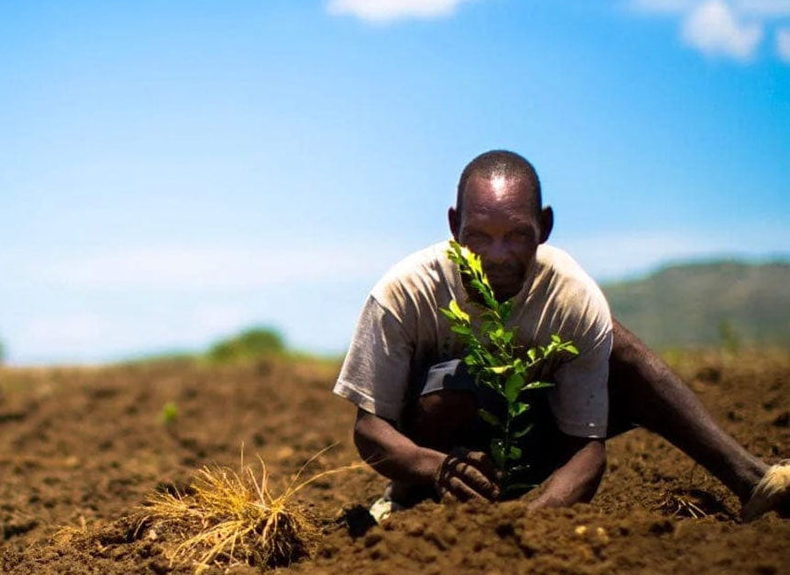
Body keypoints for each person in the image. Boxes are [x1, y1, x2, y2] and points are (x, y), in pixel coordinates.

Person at [334, 149, 789, 522]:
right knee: (452, 386)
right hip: (438, 452)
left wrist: (528, 520)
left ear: (545, 228)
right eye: (479, 236)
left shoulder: (572, 296)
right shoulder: (403, 294)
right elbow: (370, 429)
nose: (497, 255)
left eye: (517, 235)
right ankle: (412, 500)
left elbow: (587, 452)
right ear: (454, 227)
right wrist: (439, 470)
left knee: (620, 348)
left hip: (539, 445)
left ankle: (752, 482)